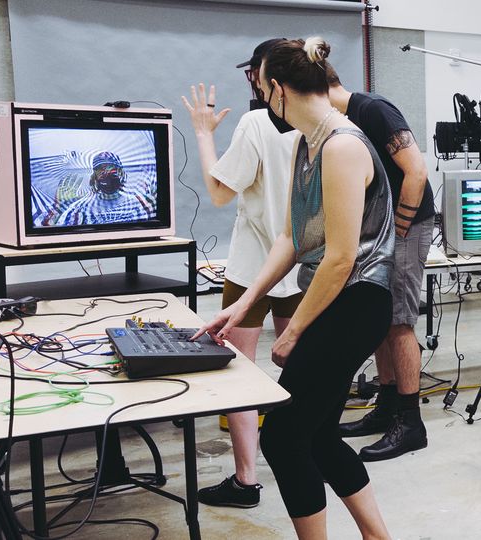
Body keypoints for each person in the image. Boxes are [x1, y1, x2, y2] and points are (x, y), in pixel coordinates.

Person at [194, 37, 394, 539]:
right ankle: (377, 535)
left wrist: (292, 329)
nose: (261, 101)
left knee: (283, 437)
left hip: (357, 301)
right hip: (333, 298)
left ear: (279, 89)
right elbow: (290, 236)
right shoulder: (308, 142)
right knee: (319, 435)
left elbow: (341, 256)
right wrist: (241, 305)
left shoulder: (343, 146)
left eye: (262, 91)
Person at [180, 39, 303, 509]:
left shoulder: (255, 123)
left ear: (262, 77)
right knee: (300, 367)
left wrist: (203, 131)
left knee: (240, 372)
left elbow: (217, 192)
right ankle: (305, 456)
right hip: (300, 266)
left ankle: (246, 480)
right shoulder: (319, 125)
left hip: (253, 267)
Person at [326, 63, 435, 462]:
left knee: (400, 322)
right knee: (380, 320)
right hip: (381, 230)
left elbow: (416, 171)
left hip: (405, 226)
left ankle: (411, 423)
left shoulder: (372, 109)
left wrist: (400, 230)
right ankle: (388, 407)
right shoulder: (343, 121)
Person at [41, 151, 157, 226]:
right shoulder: (81, 208)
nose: (105, 173)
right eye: (100, 169)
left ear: (120, 171)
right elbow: (49, 232)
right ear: (94, 175)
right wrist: (58, 207)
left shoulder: (137, 204)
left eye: (110, 167)